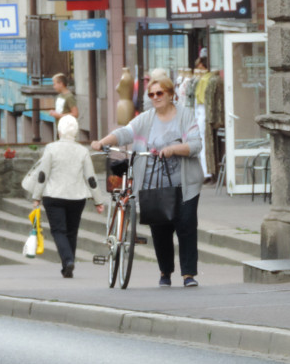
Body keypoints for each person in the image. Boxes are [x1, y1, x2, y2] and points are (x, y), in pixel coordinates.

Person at [92, 76, 204, 287]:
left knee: (186, 226)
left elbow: (196, 145)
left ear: (171, 94)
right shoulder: (146, 118)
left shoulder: (184, 115)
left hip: (184, 184)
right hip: (153, 185)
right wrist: (102, 142)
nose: (155, 98)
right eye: (151, 94)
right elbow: (125, 133)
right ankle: (165, 273)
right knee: (160, 229)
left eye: (159, 93)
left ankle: (188, 274)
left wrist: (173, 149)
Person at [29, 115, 107, 278]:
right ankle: (67, 265)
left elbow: (43, 174)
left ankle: (68, 260)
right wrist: (98, 200)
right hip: (77, 197)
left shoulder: (51, 148)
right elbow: (90, 178)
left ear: (59, 131)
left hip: (54, 196)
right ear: (76, 132)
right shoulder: (82, 151)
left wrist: (36, 196)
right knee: (72, 231)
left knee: (58, 230)